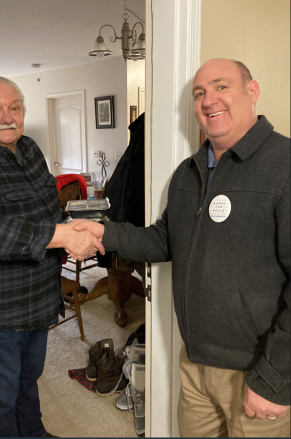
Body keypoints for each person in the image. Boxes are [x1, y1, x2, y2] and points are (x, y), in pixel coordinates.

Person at [74, 59, 290, 437]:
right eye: (199, 93)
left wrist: (275, 377)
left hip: (257, 369)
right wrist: (102, 232)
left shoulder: (284, 165)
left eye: (221, 87)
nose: (209, 101)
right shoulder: (189, 172)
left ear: (251, 92)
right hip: (195, 363)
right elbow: (163, 239)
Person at [0, 76, 104, 438]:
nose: (7, 117)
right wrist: (60, 235)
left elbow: (47, 209)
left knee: (27, 381)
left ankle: (33, 432)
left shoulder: (29, 148)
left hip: (38, 299)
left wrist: (70, 228)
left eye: (14, 108)